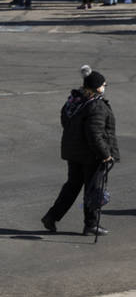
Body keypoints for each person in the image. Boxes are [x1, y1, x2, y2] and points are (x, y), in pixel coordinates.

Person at [42, 68, 118, 236]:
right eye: (103, 84)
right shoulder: (96, 106)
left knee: (72, 186)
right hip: (91, 155)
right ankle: (91, 224)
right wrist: (106, 154)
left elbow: (66, 122)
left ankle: (52, 216)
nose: (105, 85)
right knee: (93, 190)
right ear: (97, 87)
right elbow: (95, 134)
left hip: (74, 152)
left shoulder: (74, 101)